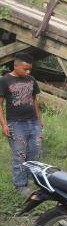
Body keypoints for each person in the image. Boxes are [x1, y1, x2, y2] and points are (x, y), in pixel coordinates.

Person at [0, 52, 43, 195]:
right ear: (15, 65)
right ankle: (20, 185)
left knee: (34, 152)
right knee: (19, 154)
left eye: (30, 69)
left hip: (33, 122)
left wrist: (39, 120)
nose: (28, 71)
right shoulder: (5, 80)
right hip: (15, 124)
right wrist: (4, 124)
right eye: (25, 68)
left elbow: (35, 100)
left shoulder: (31, 79)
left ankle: (31, 180)